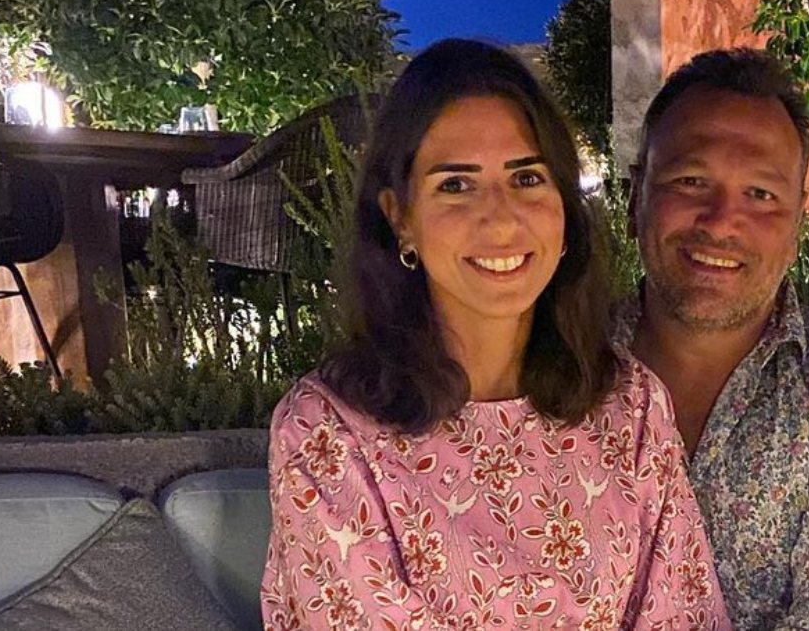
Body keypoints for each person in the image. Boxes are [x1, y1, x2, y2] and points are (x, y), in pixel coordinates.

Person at [260, 39, 730, 630]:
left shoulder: (630, 407)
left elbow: (684, 612)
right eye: (456, 185)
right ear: (400, 217)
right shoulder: (329, 430)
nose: (501, 218)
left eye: (527, 177)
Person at [617, 48, 809, 629]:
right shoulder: (560, 362)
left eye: (760, 194)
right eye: (691, 180)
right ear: (637, 195)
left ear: (797, 223)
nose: (720, 221)